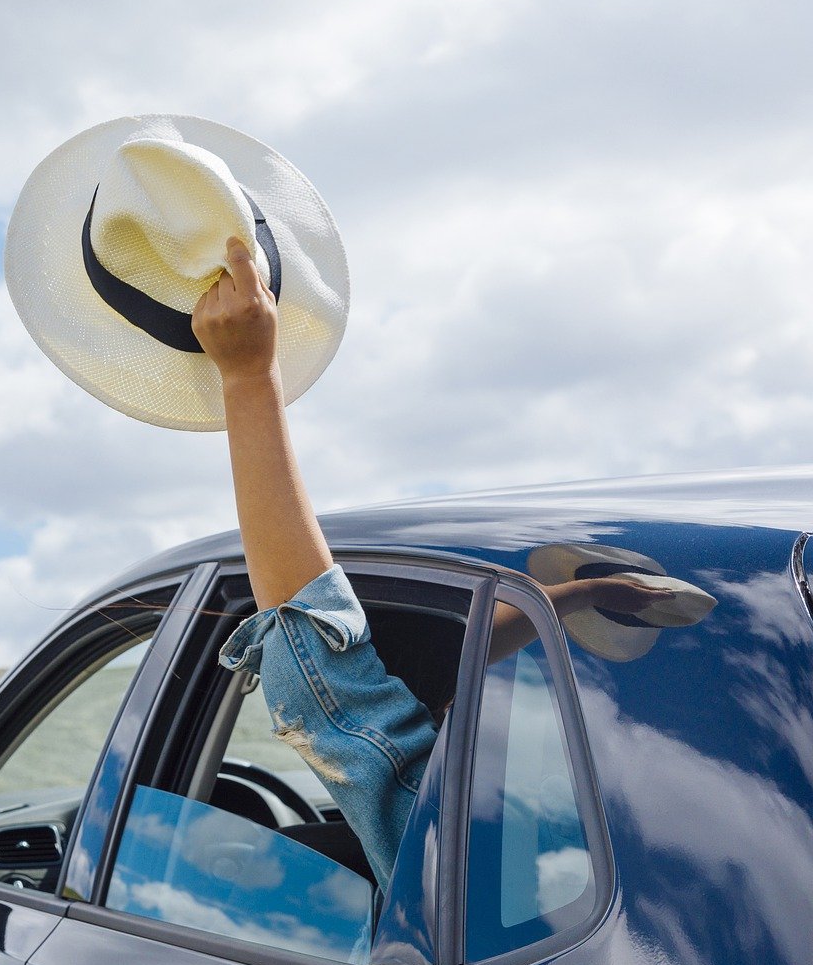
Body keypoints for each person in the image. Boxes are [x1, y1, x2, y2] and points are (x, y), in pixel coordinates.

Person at [191, 238, 673, 885]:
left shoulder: (455, 849)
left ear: (435, 707)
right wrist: (576, 596)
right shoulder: (642, 829)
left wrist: (249, 379)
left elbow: (324, 673)